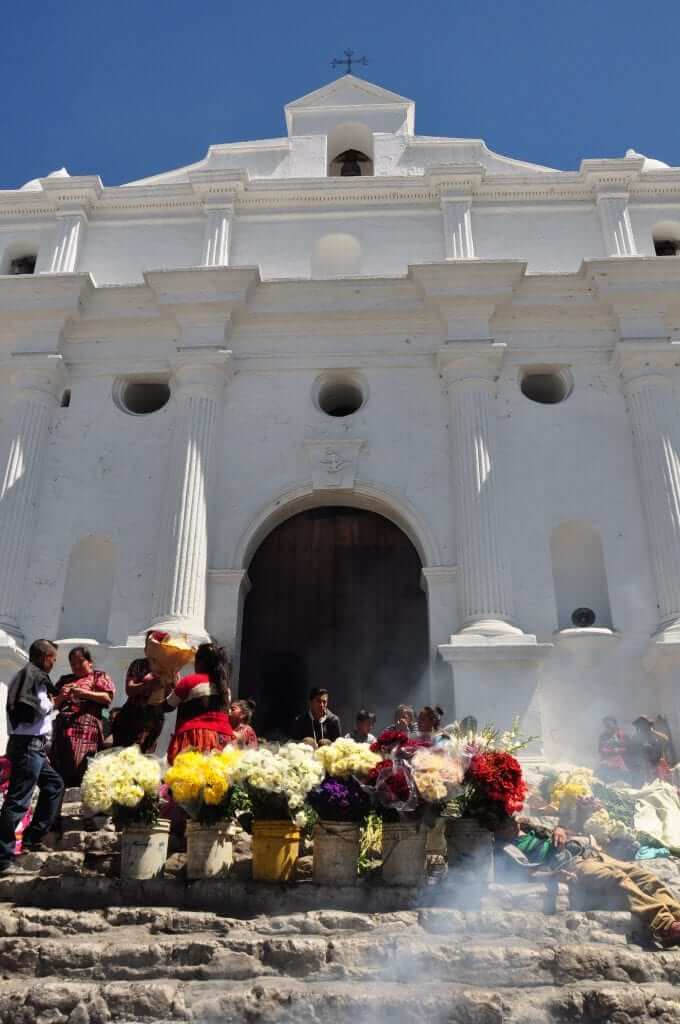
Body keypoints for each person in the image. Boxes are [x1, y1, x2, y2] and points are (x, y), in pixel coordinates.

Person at [498, 815, 680, 948]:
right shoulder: (508, 849)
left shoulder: (529, 827)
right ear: (498, 829)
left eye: (511, 818)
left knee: (645, 877)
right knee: (616, 879)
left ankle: (677, 915)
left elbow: (568, 832)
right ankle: (665, 926)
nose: (512, 823)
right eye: (506, 822)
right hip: (573, 865)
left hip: (592, 854)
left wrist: (560, 830)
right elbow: (526, 873)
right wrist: (552, 875)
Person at [0, 640, 64, 875]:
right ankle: (3, 858)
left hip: (31, 747)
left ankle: (32, 838)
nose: (53, 663)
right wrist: (56, 702)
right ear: (45, 657)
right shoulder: (33, 676)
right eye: (53, 659)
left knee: (54, 784)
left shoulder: (26, 676)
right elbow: (33, 709)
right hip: (28, 746)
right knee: (18, 800)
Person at [50, 647, 115, 788]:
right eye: (73, 664)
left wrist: (84, 693)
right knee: (60, 764)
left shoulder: (99, 676)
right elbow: (52, 704)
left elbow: (107, 697)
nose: (77, 666)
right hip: (63, 729)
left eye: (80, 662)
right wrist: (62, 696)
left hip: (86, 731)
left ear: (90, 662)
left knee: (82, 766)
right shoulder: (65, 680)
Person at [165, 643, 233, 764]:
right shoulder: (225, 689)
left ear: (200, 662)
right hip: (224, 739)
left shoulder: (191, 681)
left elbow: (167, 706)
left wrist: (169, 686)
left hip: (197, 738)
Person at [111, 631, 174, 753]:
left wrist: (170, 684)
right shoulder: (139, 665)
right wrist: (147, 685)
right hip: (131, 716)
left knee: (142, 758)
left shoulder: (171, 670)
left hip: (153, 720)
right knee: (122, 754)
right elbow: (129, 690)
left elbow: (170, 701)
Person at [627, 716, 663, 786]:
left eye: (644, 724)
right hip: (641, 766)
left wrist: (651, 748)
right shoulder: (635, 738)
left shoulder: (656, 736)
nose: (643, 727)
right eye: (640, 725)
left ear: (649, 725)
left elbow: (661, 748)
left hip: (656, 764)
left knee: (659, 784)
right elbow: (632, 752)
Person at [598, 716, 629, 782]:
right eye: (606, 725)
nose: (608, 727)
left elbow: (628, 749)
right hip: (606, 764)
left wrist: (617, 750)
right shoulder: (603, 736)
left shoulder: (623, 735)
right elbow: (601, 750)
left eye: (609, 724)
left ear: (615, 724)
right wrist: (611, 751)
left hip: (621, 765)